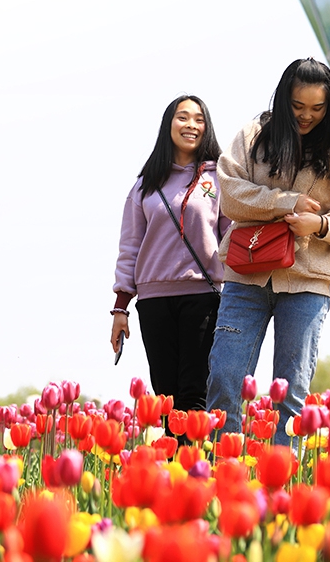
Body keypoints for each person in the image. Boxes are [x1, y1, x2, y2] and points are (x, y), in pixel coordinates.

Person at [207, 58, 330, 445]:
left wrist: (322, 225)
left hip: (308, 282)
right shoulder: (253, 135)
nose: (306, 116)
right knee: (224, 376)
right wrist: (286, 202)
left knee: (291, 390)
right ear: (283, 100)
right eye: (298, 107)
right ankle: (222, 473)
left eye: (317, 109)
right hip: (246, 275)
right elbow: (229, 193)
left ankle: (283, 488)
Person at [112, 95, 228, 416]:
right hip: (153, 302)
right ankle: (172, 463)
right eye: (183, 117)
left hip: (202, 297)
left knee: (195, 393)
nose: (191, 125)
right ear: (169, 125)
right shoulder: (144, 186)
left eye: (199, 119)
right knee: (166, 396)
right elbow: (129, 248)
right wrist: (121, 308)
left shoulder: (219, 179)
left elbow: (232, 238)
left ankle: (195, 465)